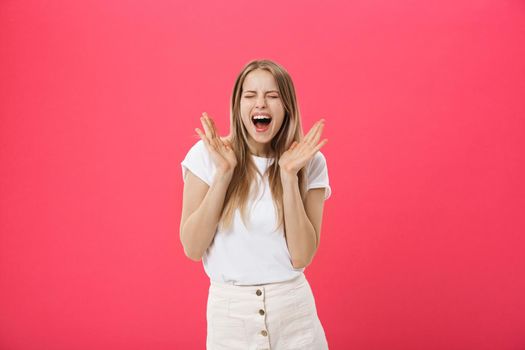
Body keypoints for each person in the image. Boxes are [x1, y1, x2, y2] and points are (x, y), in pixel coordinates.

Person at [180, 59, 331, 349]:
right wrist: (224, 174)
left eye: (272, 96)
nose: (261, 104)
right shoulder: (207, 154)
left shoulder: (309, 162)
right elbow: (192, 247)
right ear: (238, 105)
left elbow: (302, 256)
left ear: (287, 105)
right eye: (250, 96)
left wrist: (288, 176)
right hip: (231, 318)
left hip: (295, 316)